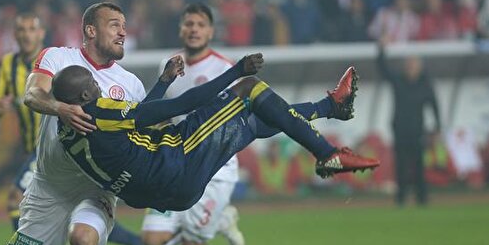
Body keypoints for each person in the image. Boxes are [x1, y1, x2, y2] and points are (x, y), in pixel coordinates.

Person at [141, 3, 358, 245]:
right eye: (188, 23)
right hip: (176, 161)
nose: (194, 29)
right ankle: (221, 220)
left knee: (192, 242)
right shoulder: (168, 65)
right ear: (181, 29)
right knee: (152, 241)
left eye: (200, 24)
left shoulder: (225, 67)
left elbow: (249, 119)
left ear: (211, 31)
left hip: (215, 166)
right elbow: (161, 113)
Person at [6, 2, 182, 245]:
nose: (122, 32)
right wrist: (61, 108)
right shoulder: (58, 57)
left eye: (125, 25)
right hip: (46, 188)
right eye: (114, 25)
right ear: (89, 30)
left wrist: (164, 83)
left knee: (83, 239)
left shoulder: (129, 83)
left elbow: (144, 120)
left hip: (96, 186)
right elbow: (32, 95)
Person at [51, 56, 377, 215]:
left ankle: (330, 106)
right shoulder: (99, 113)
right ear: (81, 98)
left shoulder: (67, 130)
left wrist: (163, 81)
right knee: (249, 91)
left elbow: (139, 121)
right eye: (92, 86)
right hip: (175, 160)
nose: (98, 87)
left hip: (168, 196)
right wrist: (236, 71)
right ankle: (326, 153)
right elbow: (181, 104)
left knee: (249, 122)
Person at [0, 13, 157, 245]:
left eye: (31, 28)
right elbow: (8, 102)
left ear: (40, 33)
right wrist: (2, 107)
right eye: (21, 29)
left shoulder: (129, 83)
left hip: (83, 169)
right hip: (40, 154)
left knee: (63, 223)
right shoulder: (26, 62)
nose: (26, 35)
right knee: (57, 223)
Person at [377, 41, 441, 205]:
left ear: (420, 67)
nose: (411, 68)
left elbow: (434, 106)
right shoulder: (398, 81)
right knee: (401, 167)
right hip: (400, 129)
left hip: (418, 130)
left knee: (419, 166)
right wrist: (381, 49)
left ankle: (422, 198)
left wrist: (437, 127)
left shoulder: (425, 84)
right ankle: (401, 199)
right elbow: (383, 70)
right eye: (409, 64)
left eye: (414, 65)